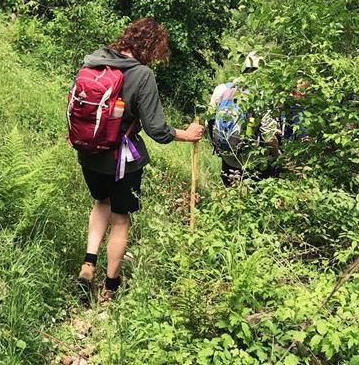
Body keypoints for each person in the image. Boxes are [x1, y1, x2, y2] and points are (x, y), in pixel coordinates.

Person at [72, 18, 204, 303]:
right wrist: (189, 134)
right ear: (153, 48)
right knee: (120, 219)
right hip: (121, 158)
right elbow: (157, 129)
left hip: (88, 152)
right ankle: (110, 286)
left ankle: (88, 264)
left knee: (100, 203)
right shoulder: (142, 74)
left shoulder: (94, 61)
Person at [208, 51, 281, 187]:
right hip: (256, 162)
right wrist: (278, 157)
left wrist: (219, 148)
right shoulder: (261, 94)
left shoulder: (222, 89)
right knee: (258, 202)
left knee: (231, 197)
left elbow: (210, 123)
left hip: (229, 158)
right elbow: (268, 135)